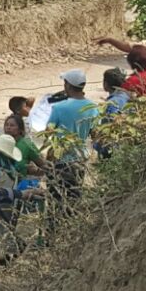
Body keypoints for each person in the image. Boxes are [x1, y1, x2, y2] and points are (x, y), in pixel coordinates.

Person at [45, 69, 100, 203]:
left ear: (68, 85)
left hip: (60, 159)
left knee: (55, 197)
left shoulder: (59, 107)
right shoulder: (92, 107)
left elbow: (48, 132)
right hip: (80, 158)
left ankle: (55, 222)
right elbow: (95, 135)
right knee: (74, 196)